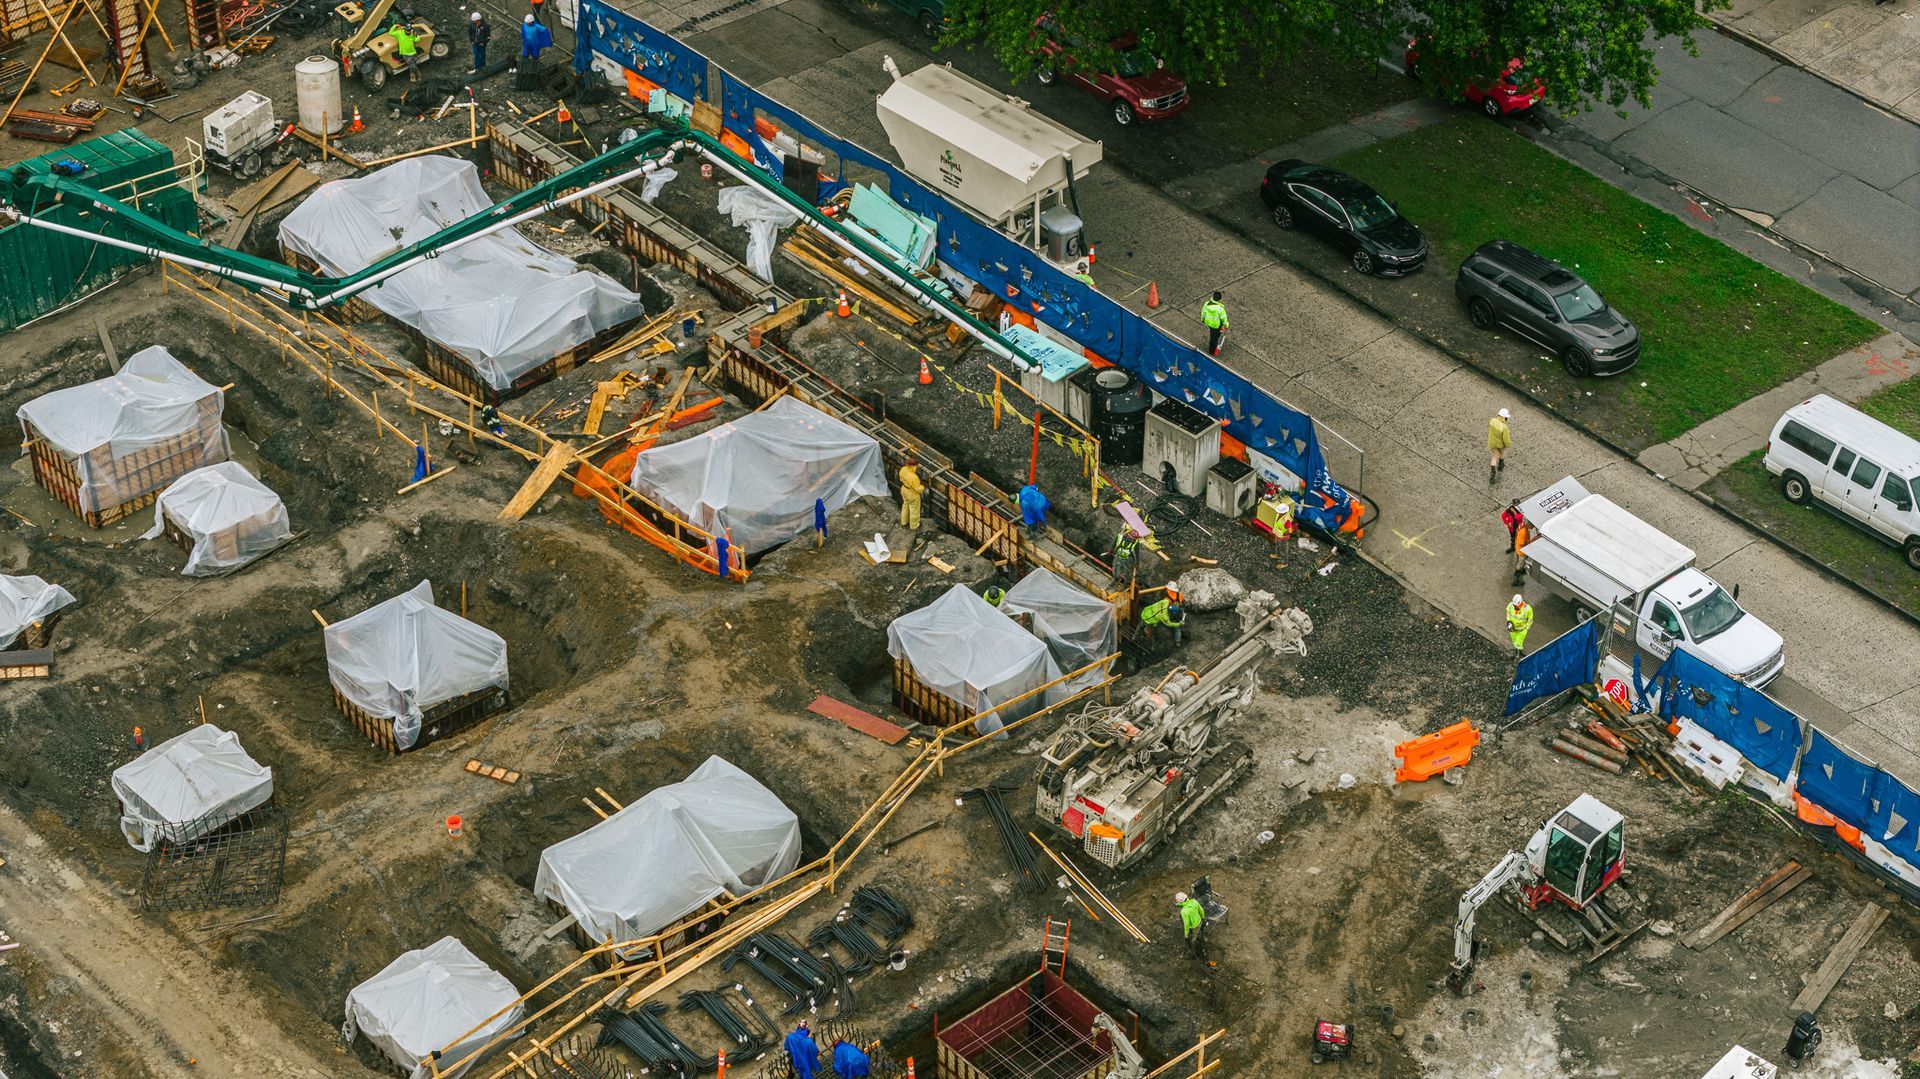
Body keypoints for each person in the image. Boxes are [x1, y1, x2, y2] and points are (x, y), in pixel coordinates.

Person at [1177, 890, 1206, 959]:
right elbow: (1201, 910)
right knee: (1200, 928)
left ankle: (1193, 952)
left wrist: (1186, 934)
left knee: (1193, 939)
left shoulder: (1184, 911)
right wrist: (1203, 918)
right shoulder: (1194, 901)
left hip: (1194, 926)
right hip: (1199, 921)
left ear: (1180, 901)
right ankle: (1202, 935)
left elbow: (1187, 924)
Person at [1487, 407, 1512, 485]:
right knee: (1501, 453)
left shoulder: (1492, 421)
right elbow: (1506, 439)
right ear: (1504, 417)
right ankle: (1501, 465)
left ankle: (1492, 475)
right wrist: (1508, 445)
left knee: (1494, 457)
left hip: (1492, 443)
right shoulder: (1505, 427)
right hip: (1500, 444)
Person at [898, 459, 925, 530]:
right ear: (914, 466)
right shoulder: (913, 477)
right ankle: (914, 525)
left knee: (905, 505)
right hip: (911, 493)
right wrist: (923, 487)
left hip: (904, 489)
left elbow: (901, 478)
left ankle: (904, 522)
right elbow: (918, 489)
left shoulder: (903, 469)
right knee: (914, 509)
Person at [1201, 291, 1229, 356]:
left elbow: (1203, 312)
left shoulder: (1206, 304)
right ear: (1220, 299)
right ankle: (1212, 351)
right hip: (1216, 325)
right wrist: (1227, 325)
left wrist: (1203, 319)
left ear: (1213, 297)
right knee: (1214, 339)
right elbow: (1223, 318)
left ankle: (1218, 334)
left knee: (1213, 333)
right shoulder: (1220, 309)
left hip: (1209, 323)